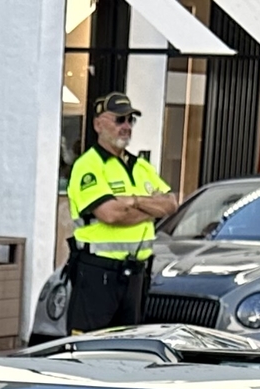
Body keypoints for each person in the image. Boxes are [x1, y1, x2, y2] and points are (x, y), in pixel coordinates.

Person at [63, 91, 177, 333]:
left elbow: (170, 205)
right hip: (98, 274)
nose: (126, 127)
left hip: (135, 275)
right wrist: (148, 207)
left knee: (126, 352)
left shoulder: (141, 166)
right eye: (119, 120)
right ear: (98, 124)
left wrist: (133, 201)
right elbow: (111, 214)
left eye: (130, 120)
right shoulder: (88, 166)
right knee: (90, 351)